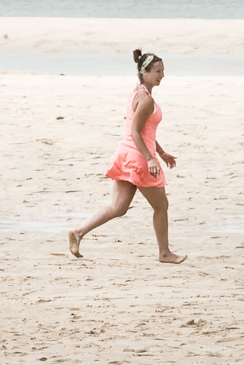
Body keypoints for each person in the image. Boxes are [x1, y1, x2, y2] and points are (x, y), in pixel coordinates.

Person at [68, 49, 185, 263]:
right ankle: (165, 253)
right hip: (139, 158)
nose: (162, 75)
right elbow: (136, 132)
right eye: (157, 71)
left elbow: (145, 130)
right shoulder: (146, 100)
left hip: (126, 154)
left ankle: (78, 232)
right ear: (144, 72)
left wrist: (161, 152)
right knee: (161, 207)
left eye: (163, 71)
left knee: (118, 207)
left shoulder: (137, 92)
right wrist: (150, 158)